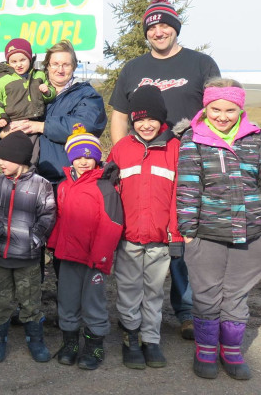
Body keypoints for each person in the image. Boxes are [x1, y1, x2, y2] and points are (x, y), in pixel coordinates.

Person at [109, 0, 221, 340]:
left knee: (183, 233)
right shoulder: (134, 69)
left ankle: (187, 309)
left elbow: (218, 108)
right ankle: (138, 312)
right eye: (152, 27)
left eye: (164, 25)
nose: (158, 31)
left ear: (175, 27)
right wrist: (118, 155)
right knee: (147, 232)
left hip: (191, 162)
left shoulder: (201, 64)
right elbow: (118, 114)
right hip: (145, 161)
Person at [177, 78, 261, 380]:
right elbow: (188, 187)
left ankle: (232, 350)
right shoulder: (193, 138)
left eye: (230, 110)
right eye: (215, 109)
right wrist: (188, 229)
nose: (222, 116)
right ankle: (206, 348)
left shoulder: (256, 137)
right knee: (207, 294)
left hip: (251, 234)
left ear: (240, 109)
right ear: (206, 107)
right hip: (207, 233)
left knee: (236, 295)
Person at [107, 85, 183, 370]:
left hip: (160, 240)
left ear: (161, 118)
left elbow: (179, 195)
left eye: (151, 119)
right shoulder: (122, 149)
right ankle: (130, 336)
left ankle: (151, 339)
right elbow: (110, 194)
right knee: (128, 289)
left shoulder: (174, 149)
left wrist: (175, 234)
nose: (146, 125)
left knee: (153, 292)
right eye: (139, 120)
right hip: (127, 239)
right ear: (132, 122)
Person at [47, 125, 123, 371]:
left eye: (89, 156)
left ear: (97, 158)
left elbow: (111, 224)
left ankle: (94, 345)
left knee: (93, 302)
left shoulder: (105, 188)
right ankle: (70, 343)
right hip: (68, 256)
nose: (83, 161)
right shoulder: (64, 186)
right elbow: (59, 218)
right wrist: (54, 246)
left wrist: (101, 256)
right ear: (71, 158)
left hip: (93, 259)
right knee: (67, 300)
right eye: (78, 156)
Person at [0, 131, 55, 363]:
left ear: (20, 159)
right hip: (0, 257)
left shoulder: (41, 185)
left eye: (4, 158)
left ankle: (36, 339)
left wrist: (35, 239)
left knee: (30, 302)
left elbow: (48, 215)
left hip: (27, 259)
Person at [9, 39, 106, 187]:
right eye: (55, 64)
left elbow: (86, 126)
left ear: (73, 66)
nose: (60, 69)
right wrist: (3, 132)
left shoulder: (87, 94)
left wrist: (42, 126)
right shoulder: (29, 90)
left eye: (65, 64)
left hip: (68, 181)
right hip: (28, 179)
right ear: (47, 66)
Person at [0, 38, 54, 164]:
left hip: (34, 122)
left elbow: (50, 94)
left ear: (30, 59)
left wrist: (47, 92)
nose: (18, 64)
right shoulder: (1, 80)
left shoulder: (39, 75)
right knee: (14, 157)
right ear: (8, 62)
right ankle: (13, 178)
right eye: (14, 61)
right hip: (12, 123)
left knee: (33, 155)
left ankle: (31, 174)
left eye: (22, 60)